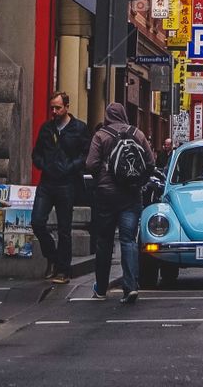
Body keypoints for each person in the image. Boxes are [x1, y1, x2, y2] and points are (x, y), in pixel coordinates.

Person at [86, 102, 154, 303]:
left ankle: (101, 288)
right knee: (128, 240)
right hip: (131, 196)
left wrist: (102, 176)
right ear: (124, 114)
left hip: (106, 196)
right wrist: (137, 181)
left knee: (104, 241)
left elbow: (90, 164)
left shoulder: (101, 135)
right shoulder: (138, 134)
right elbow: (150, 163)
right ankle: (131, 286)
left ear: (107, 115)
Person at [31, 92, 90, 284]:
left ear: (66, 107)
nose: (54, 111)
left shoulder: (79, 128)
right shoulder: (46, 129)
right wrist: (43, 164)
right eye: (52, 108)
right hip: (47, 182)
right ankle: (53, 257)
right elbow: (36, 153)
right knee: (37, 221)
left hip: (67, 183)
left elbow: (85, 154)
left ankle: (63, 269)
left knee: (65, 228)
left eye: (57, 108)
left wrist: (71, 167)